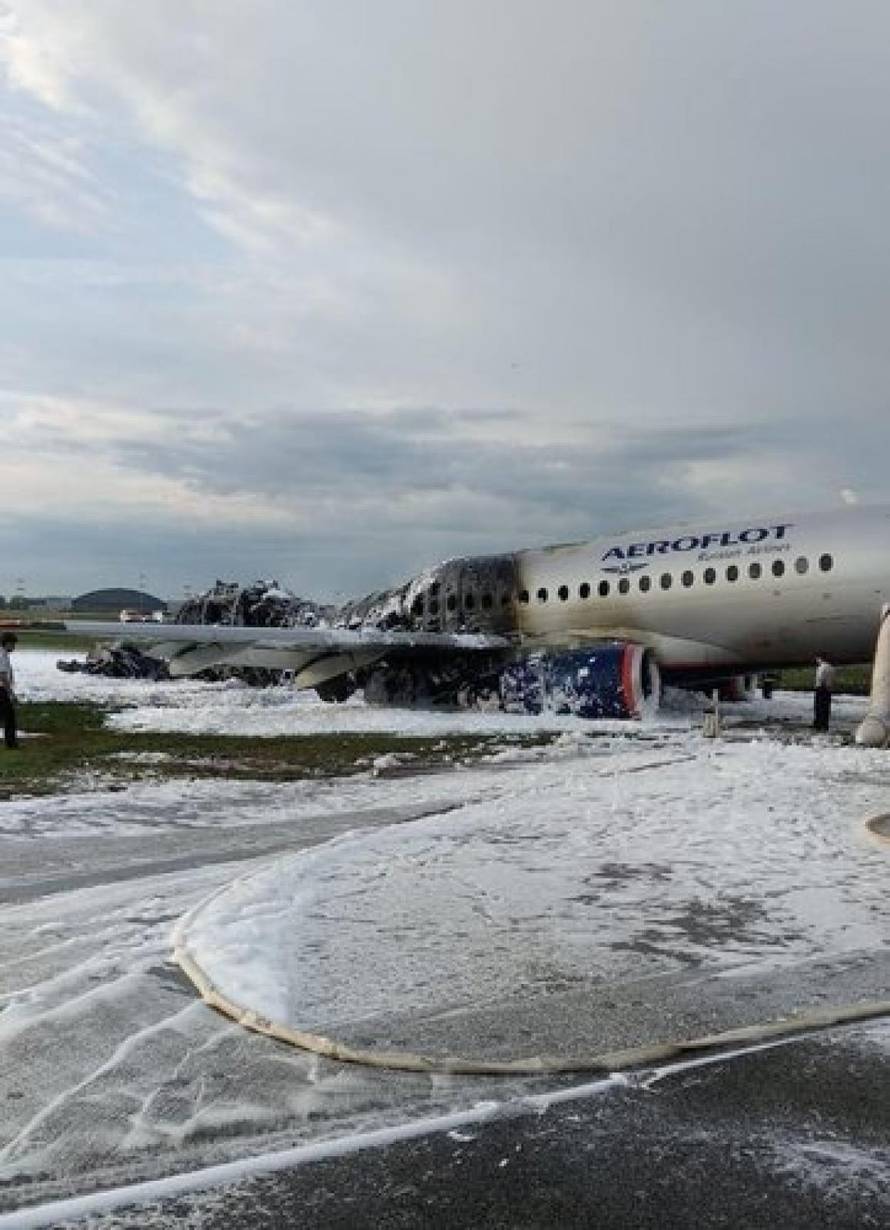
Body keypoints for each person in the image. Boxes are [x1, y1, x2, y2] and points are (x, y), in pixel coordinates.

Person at [0, 632, 19, 749]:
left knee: (6, 715)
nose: (14, 647)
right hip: (1, 689)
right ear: (7, 643)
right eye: (13, 644)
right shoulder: (2, 655)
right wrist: (10, 692)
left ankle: (10, 742)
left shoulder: (3, 654)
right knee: (9, 716)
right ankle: (10, 743)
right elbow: (2, 675)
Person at [813, 654, 836, 732]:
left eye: (817, 659)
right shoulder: (832, 668)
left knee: (819, 707)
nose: (816, 661)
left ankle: (818, 724)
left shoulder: (821, 668)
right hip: (829, 689)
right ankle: (825, 724)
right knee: (826, 707)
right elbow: (833, 679)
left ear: (820, 659)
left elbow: (820, 678)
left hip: (821, 688)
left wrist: (819, 686)